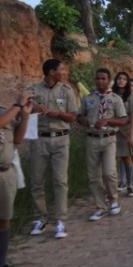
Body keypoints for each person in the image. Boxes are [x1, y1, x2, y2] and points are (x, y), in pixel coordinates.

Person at [29, 59, 78, 239]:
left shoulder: (67, 90)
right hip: (39, 140)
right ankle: (40, 218)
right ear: (51, 72)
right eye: (61, 69)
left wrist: (58, 114)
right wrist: (33, 107)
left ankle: (60, 220)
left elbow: (73, 117)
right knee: (37, 181)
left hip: (61, 139)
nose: (64, 72)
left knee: (60, 181)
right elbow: (22, 110)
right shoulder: (33, 89)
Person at [77, 68, 127, 221]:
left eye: (103, 78)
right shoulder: (88, 98)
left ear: (109, 80)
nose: (100, 81)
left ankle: (113, 200)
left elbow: (123, 119)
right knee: (93, 176)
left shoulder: (115, 99)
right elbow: (79, 115)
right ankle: (100, 206)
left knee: (109, 172)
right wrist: (82, 120)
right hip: (92, 138)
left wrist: (108, 121)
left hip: (109, 138)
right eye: (98, 78)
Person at [0, 92, 32, 267]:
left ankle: (1, 265)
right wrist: (18, 106)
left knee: (4, 219)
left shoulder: (5, 112)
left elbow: (18, 139)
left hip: (5, 172)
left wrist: (25, 115)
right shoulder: (8, 112)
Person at [113, 72, 133, 198]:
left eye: (124, 79)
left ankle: (129, 184)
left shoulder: (130, 96)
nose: (121, 81)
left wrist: (132, 133)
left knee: (126, 158)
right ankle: (117, 183)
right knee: (115, 159)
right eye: (119, 78)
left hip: (125, 131)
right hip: (112, 130)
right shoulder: (111, 94)